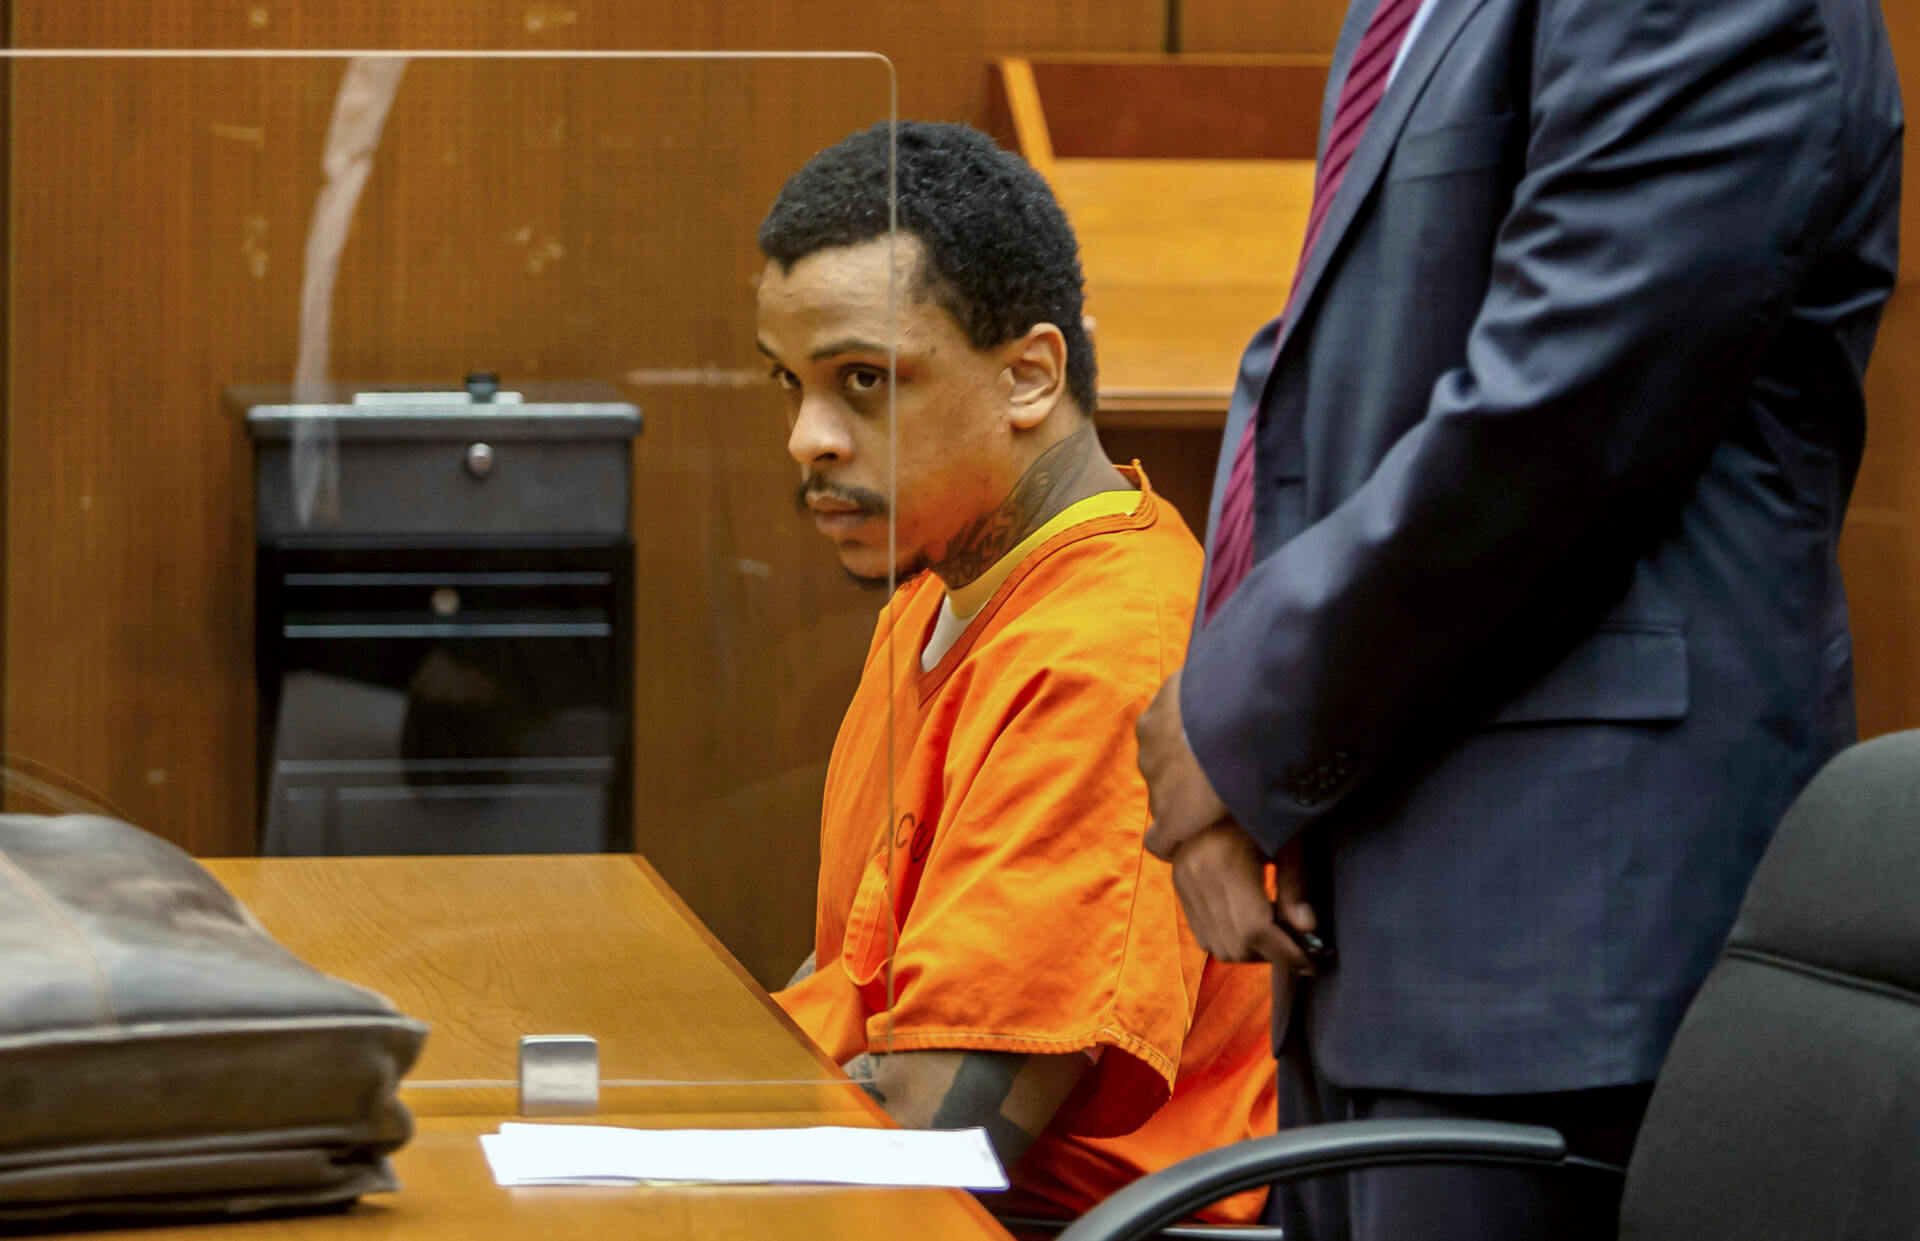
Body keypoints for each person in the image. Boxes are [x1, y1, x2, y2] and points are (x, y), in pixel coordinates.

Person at [1133, 0, 1904, 1237]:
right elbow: (1312, 375)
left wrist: (1233, 731)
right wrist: (1231, 740)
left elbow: (1555, 427)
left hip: (1556, 943)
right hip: (1365, 920)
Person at [756, 121, 1276, 1224]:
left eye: (863, 380)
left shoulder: (1106, 652)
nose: (808, 437)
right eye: (788, 384)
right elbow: (854, 1002)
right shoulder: (935, 595)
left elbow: (932, 1137)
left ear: (1030, 374)